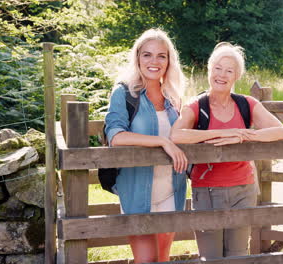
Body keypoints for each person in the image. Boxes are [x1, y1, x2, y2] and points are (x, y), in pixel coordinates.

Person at [170, 42, 283, 259]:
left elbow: (281, 132)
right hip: (206, 191)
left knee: (238, 257)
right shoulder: (197, 105)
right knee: (211, 258)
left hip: (243, 190)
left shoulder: (247, 104)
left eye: (229, 70)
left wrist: (243, 135)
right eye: (217, 68)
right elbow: (176, 135)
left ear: (236, 76)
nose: (222, 75)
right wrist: (218, 135)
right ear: (209, 71)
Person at [104, 28, 188, 263]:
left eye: (162, 55)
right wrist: (162, 142)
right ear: (137, 57)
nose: (154, 61)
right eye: (147, 55)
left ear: (169, 60)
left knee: (163, 259)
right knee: (145, 261)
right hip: (136, 190)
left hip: (171, 190)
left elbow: (185, 135)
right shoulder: (124, 93)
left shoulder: (174, 97)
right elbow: (116, 136)